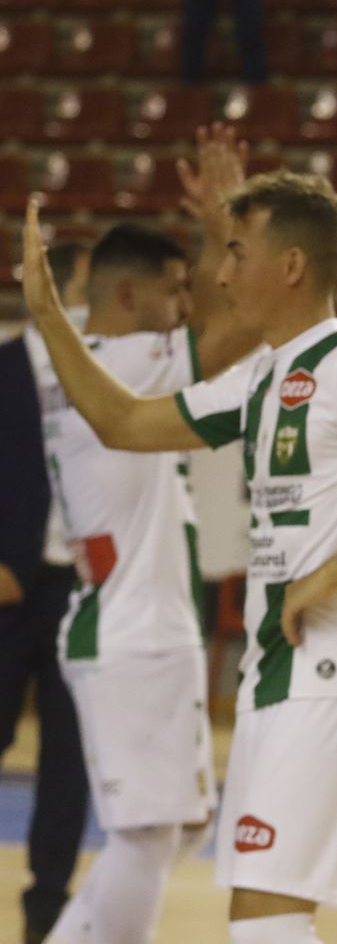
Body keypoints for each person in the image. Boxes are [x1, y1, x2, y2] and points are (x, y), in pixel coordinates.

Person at [21, 171, 337, 944]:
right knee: (259, 916)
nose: (219, 272)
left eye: (237, 251)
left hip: (330, 669)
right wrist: (47, 315)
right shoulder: (260, 378)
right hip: (276, 672)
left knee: (265, 920)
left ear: (291, 266)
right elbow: (123, 421)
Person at [2, 242, 91, 944]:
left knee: (69, 761)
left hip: (79, 587)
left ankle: (45, 914)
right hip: (3, 586)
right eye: (92, 287)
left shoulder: (102, 373)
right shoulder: (2, 368)